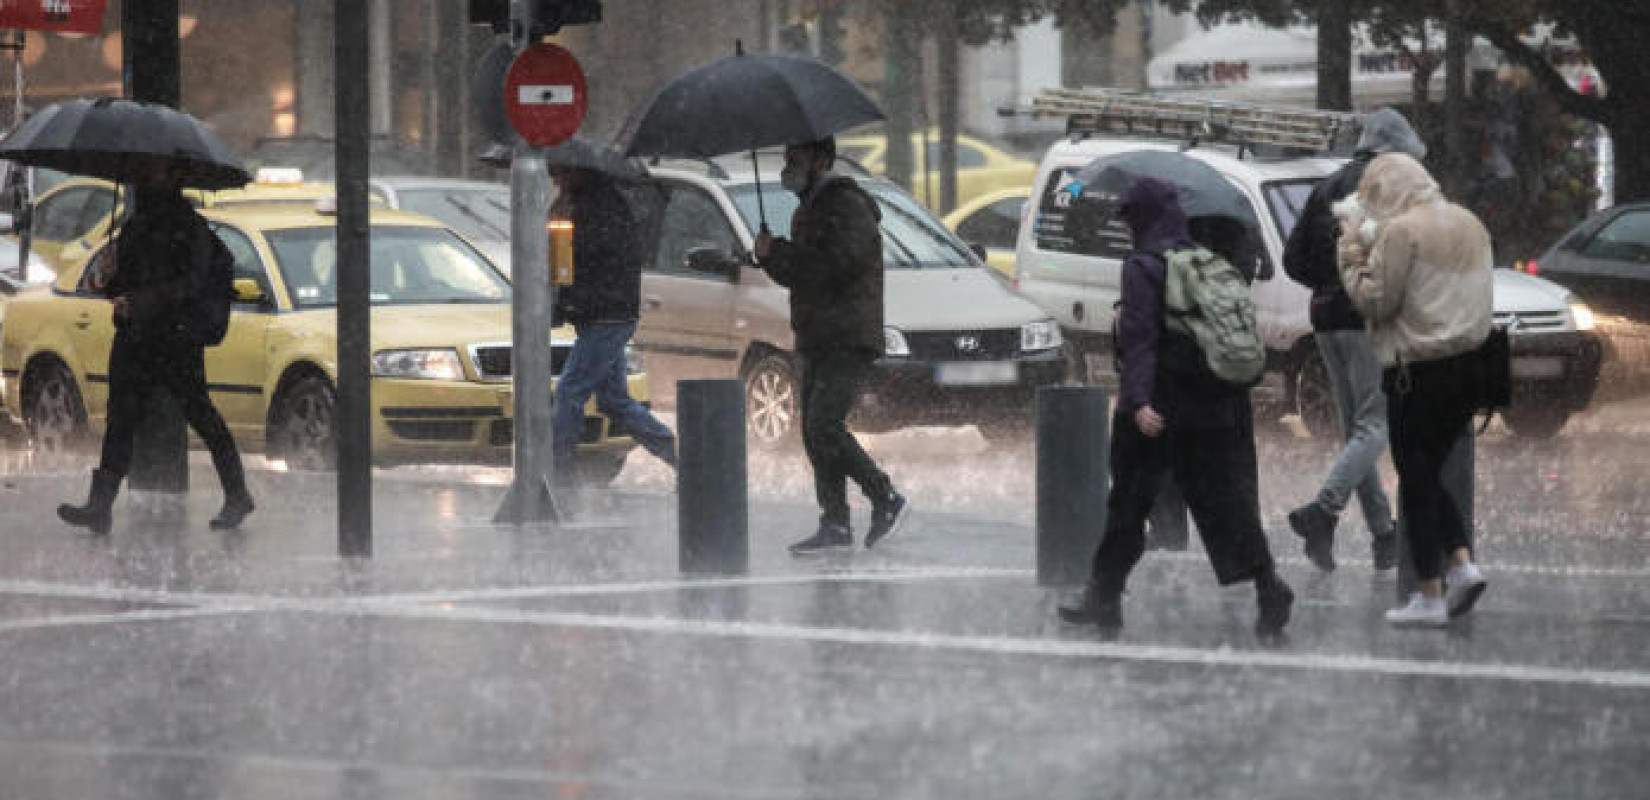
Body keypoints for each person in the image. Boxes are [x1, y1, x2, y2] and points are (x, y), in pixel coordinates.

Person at [1059, 177, 1293, 639]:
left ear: (1141, 218)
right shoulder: (1204, 261)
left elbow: (1142, 342)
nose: (1127, 227)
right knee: (1226, 503)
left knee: (1128, 502)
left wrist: (1139, 402)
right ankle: (1269, 585)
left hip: (1159, 409)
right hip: (1211, 405)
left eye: (1129, 218)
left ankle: (1103, 596)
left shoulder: (1144, 266)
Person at [57, 164, 254, 535]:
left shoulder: (189, 227)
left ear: (174, 179)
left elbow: (190, 284)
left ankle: (237, 493)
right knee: (121, 420)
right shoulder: (135, 224)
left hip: (175, 340)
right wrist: (109, 278)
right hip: (135, 337)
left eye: (157, 172)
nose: (147, 179)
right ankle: (100, 505)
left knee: (201, 415)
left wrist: (142, 301)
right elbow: (127, 280)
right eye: (145, 172)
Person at [1338, 153, 1491, 628]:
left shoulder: (1403, 232)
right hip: (1471, 367)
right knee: (1427, 474)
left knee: (1417, 477)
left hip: (1418, 369)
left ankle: (1432, 591)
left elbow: (1376, 301)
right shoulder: (1470, 223)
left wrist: (1350, 256)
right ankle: (1460, 565)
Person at [1281, 108, 1427, 573]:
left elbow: (1293, 258)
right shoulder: (1392, 185)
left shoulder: (1328, 185)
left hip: (1325, 318)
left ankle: (1385, 535)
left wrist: (1329, 283)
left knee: (1355, 429)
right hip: (1368, 315)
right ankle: (1323, 511)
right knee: (1375, 423)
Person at [753, 137, 909, 555]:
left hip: (847, 335)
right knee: (812, 431)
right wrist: (770, 257)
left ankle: (884, 495)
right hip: (818, 335)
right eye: (786, 158)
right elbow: (805, 274)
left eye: (795, 158)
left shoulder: (844, 205)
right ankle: (835, 522)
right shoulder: (812, 206)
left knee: (824, 425)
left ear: (821, 160)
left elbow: (833, 268)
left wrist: (782, 253)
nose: (788, 167)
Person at [548, 166, 678, 491]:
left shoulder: (599, 208)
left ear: (581, 172)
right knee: (613, 400)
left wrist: (561, 225)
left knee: (570, 390)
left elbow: (572, 263)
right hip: (604, 314)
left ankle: (556, 472)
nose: (557, 179)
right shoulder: (592, 204)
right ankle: (681, 457)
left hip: (606, 315)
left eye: (560, 174)